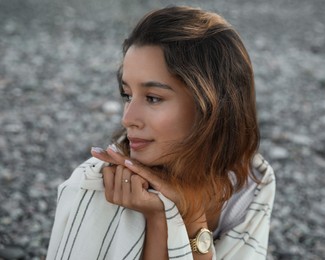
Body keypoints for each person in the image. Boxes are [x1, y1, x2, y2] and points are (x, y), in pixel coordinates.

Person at [47, 6, 275, 260]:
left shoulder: (250, 182)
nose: (127, 119)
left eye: (153, 98)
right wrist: (160, 216)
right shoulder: (96, 185)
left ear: (212, 106)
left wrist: (190, 215)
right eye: (127, 95)